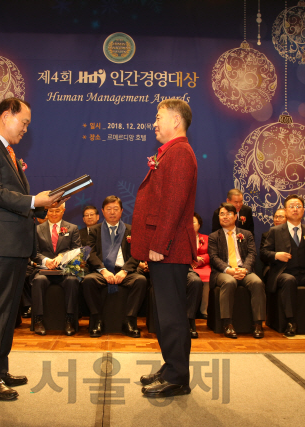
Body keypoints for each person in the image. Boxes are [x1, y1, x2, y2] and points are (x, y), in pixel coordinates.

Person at [0, 97, 63, 401]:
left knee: (8, 313)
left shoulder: (7, 152)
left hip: (14, 244)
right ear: (6, 116)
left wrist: (41, 206)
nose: (25, 129)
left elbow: (13, 197)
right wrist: (35, 201)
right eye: (24, 122)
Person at [132, 99, 197, 398]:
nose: (154, 123)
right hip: (166, 247)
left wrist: (159, 244)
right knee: (165, 313)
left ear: (175, 120)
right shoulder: (172, 152)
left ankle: (177, 377)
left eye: (158, 118)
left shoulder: (180, 152)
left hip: (169, 248)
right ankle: (172, 366)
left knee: (170, 314)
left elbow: (174, 203)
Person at [260, 194, 305, 338]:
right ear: (285, 211)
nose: (295, 209)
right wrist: (276, 255)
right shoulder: (275, 231)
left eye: (298, 206)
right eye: (291, 207)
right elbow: (264, 252)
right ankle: (291, 322)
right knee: (289, 280)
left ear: (303, 210)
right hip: (283, 272)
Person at [82, 195, 147, 338]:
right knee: (88, 281)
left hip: (125, 272)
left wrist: (125, 270)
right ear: (103, 211)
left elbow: (136, 254)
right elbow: (89, 253)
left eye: (115, 209)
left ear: (122, 211)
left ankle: (129, 321)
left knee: (140, 281)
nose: (112, 212)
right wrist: (103, 270)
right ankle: (97, 320)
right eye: (109, 209)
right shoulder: (94, 230)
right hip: (102, 271)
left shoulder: (131, 230)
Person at [208, 203, 265, 339]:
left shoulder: (246, 234)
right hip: (223, 273)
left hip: (244, 270)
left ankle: (258, 324)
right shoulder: (214, 236)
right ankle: (227, 324)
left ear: (235, 217)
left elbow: (252, 254)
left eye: (228, 214)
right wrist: (229, 270)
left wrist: (244, 269)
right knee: (229, 282)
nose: (225, 217)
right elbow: (214, 258)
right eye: (222, 214)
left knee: (257, 282)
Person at [30, 202, 81, 336]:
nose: (53, 214)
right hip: (44, 271)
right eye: (50, 211)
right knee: (38, 281)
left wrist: (62, 257)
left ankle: (69, 319)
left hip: (65, 271)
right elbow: (34, 252)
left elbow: (77, 251)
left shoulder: (72, 228)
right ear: (46, 211)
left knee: (72, 281)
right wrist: (47, 261)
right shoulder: (37, 229)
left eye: (57, 211)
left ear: (63, 210)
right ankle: (38, 320)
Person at [259, 208, 286, 282]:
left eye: (281, 217)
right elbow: (263, 256)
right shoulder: (267, 235)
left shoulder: (293, 235)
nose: (277, 219)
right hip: (272, 266)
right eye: (275, 217)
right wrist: (276, 256)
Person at [193, 212, 210, 321]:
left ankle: (204, 310)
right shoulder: (181, 239)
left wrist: (202, 260)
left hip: (203, 266)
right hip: (188, 266)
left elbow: (212, 253)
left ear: (199, 225)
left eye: (193, 222)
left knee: (208, 276)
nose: (191, 224)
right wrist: (192, 259)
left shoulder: (207, 238)